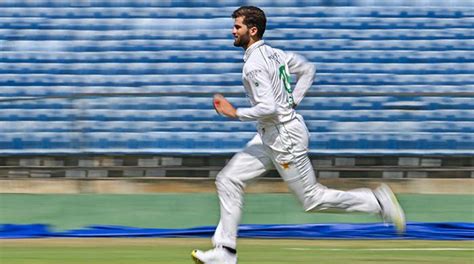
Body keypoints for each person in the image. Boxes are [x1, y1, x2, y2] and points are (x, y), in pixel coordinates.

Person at [192, 6, 405, 264]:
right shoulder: (275, 54)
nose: (232, 31)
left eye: (237, 27)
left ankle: (378, 202)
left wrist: (235, 113)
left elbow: (268, 108)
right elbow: (308, 69)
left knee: (312, 200)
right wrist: (292, 101)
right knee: (228, 180)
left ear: (253, 30)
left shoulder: (254, 65)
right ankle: (225, 252)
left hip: (284, 139)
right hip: (270, 136)